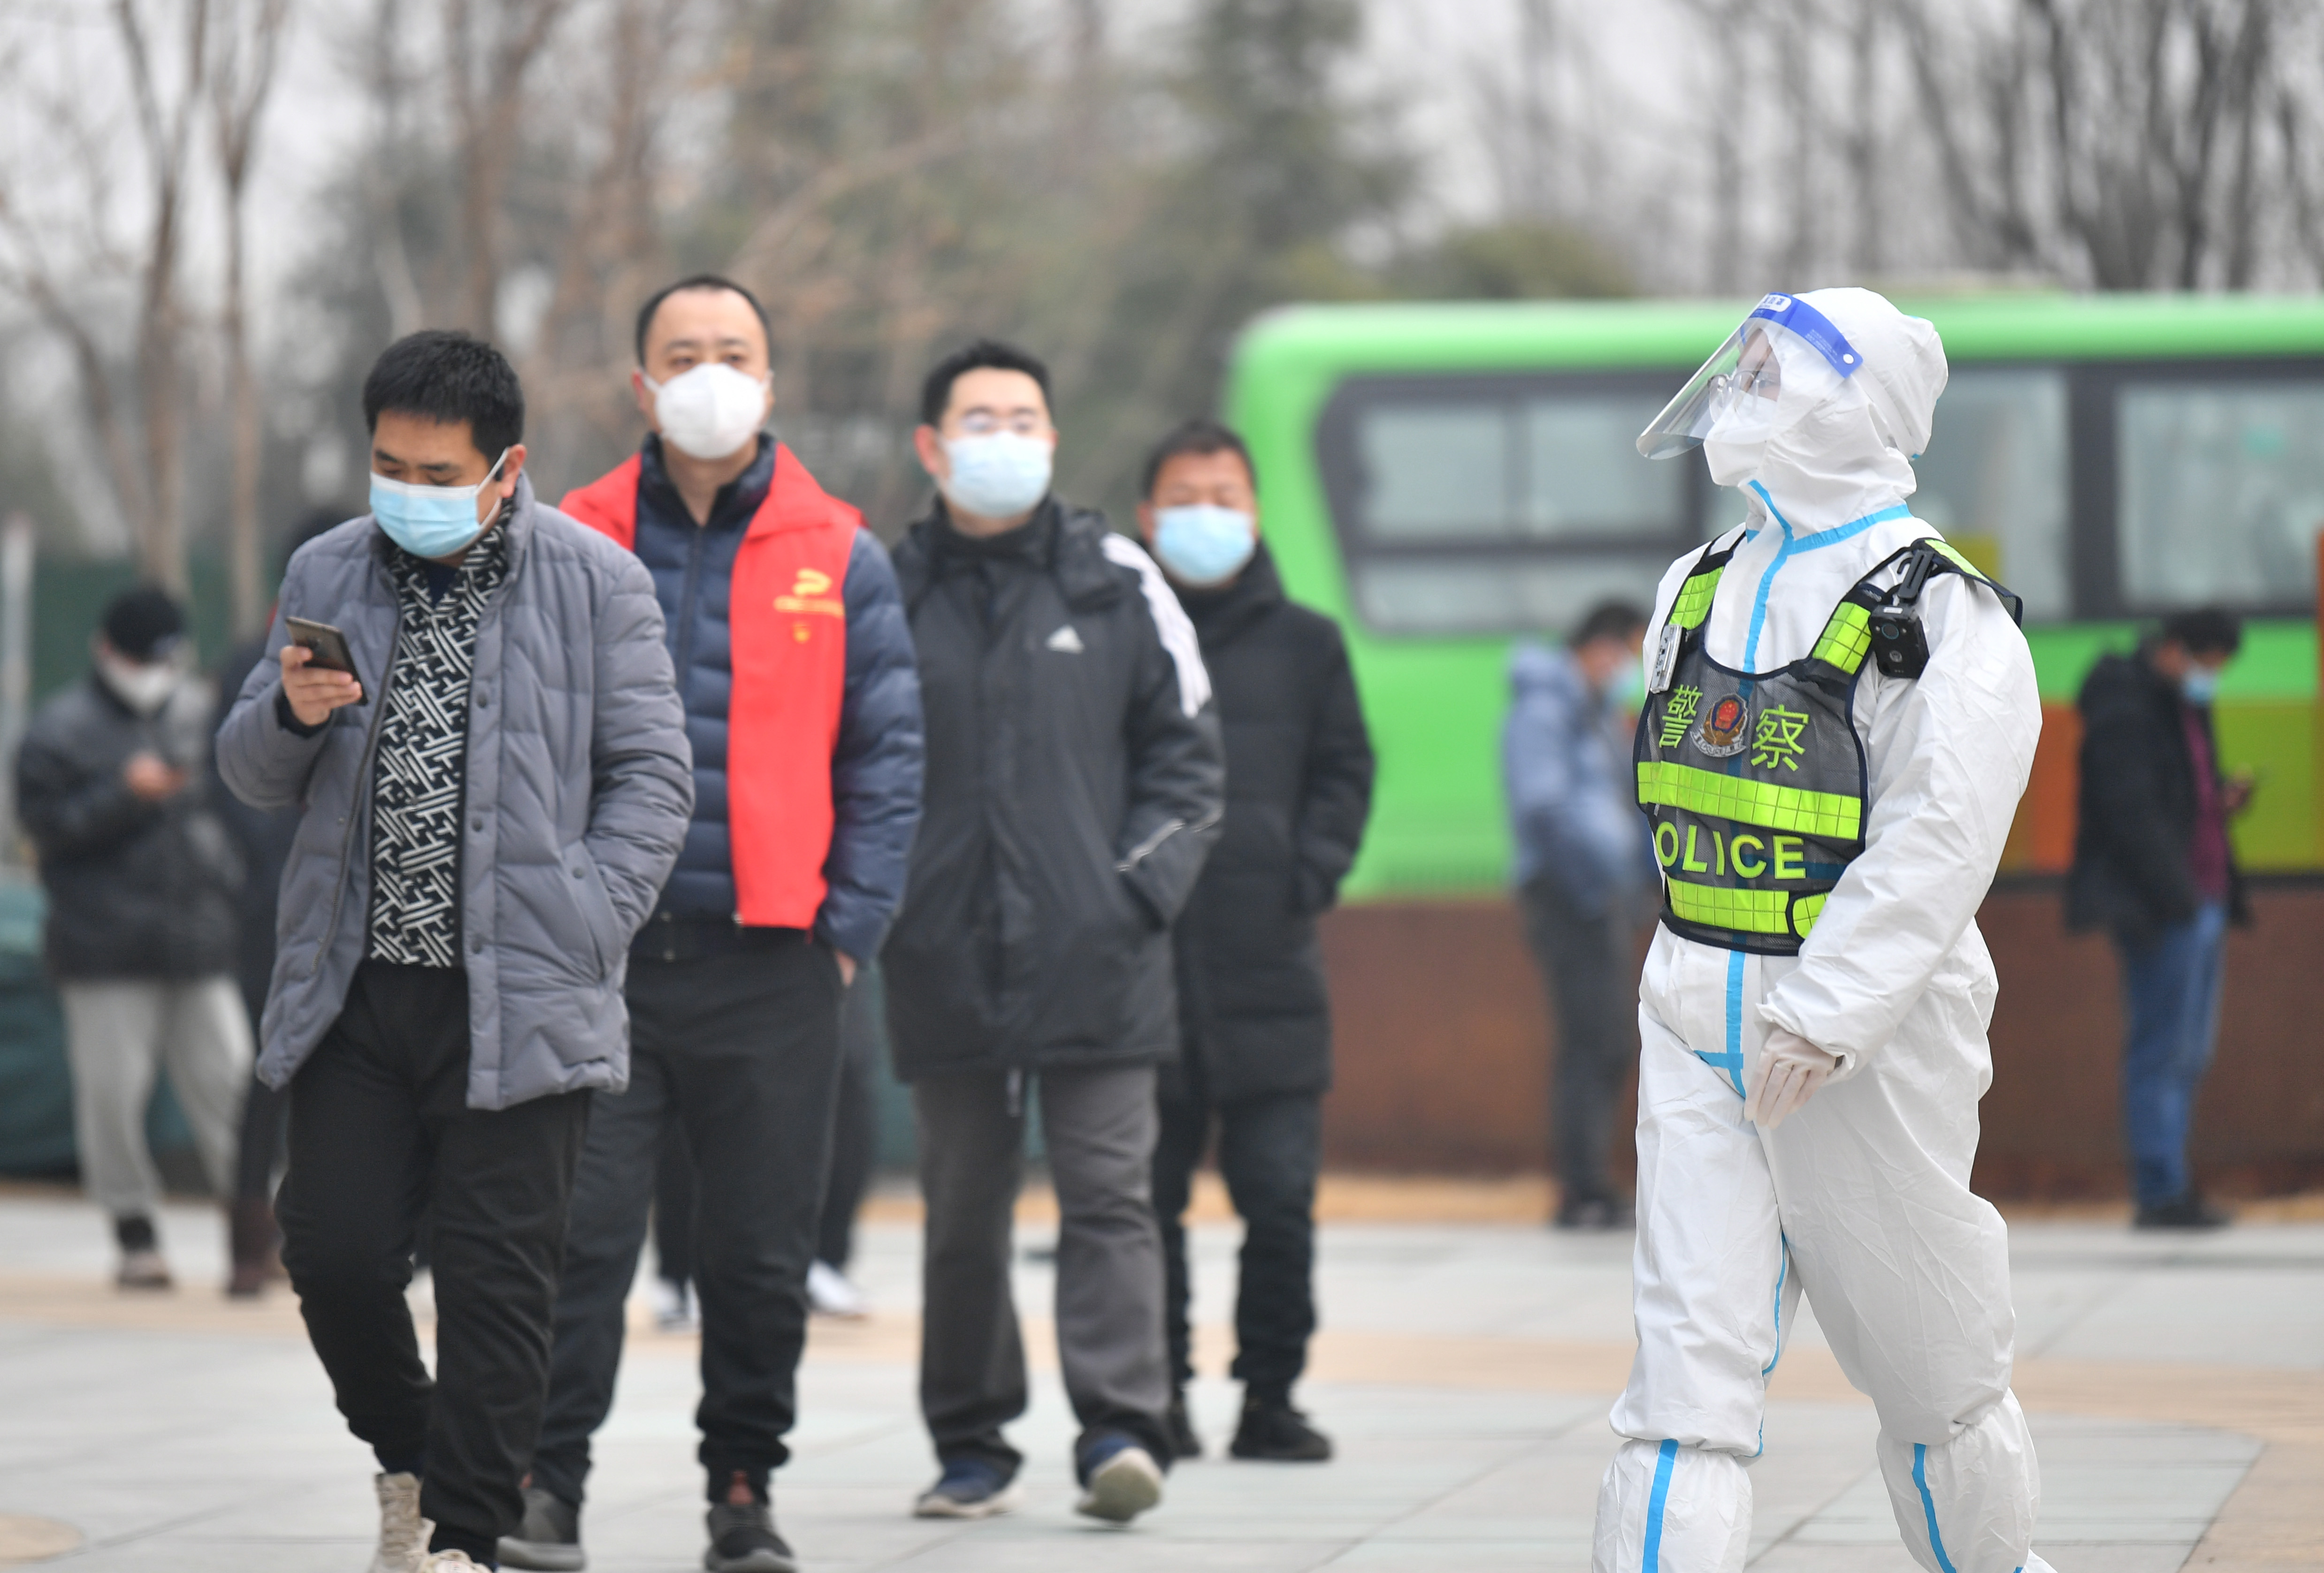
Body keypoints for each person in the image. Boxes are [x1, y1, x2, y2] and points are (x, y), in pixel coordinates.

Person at [216, 329, 692, 1573]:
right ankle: (414, 1458)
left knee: (497, 1285)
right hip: (357, 990)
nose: (409, 494)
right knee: (333, 1252)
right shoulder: (327, 568)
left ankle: (467, 1540)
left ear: (506, 468)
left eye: (438, 475)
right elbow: (250, 770)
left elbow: (655, 777)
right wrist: (288, 714)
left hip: (522, 988)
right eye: (390, 467)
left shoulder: (598, 582)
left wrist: (588, 918)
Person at [1597, 289, 2058, 1572]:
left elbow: (1941, 836)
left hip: (1868, 1044)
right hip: (1693, 1012)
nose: (1739, 393)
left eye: (1771, 371)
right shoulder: (1696, 584)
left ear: (1860, 404)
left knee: (1932, 1369)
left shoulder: (1942, 614)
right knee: (1682, 1384)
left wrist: (1828, 1011)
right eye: (1740, 366)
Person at [502, 275, 923, 1573]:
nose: (708, 375)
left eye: (732, 352)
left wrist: (845, 931)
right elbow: (510, 737)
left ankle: (743, 1489)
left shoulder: (840, 551)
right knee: (572, 1243)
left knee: (758, 1254)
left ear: (770, 380)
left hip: (773, 968)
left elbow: (888, 757)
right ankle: (545, 1487)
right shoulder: (565, 537)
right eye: (681, 355)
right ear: (641, 385)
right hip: (600, 965)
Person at [884, 340, 1223, 1525]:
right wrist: (895, 903)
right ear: (931, 447)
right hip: (942, 953)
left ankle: (1122, 1428)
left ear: (1053, 437)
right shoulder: (885, 587)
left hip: (1100, 953)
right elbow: (851, 764)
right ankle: (970, 1441)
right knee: (960, 1211)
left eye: (1024, 418)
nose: (1005, 438)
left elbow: (1189, 758)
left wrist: (1126, 895)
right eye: (979, 419)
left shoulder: (1116, 577)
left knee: (1109, 1199)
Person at [1133, 417, 1373, 1465]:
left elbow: (1346, 769)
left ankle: (1270, 1398)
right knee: (1146, 1206)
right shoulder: (1120, 632)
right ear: (1148, 516)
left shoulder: (1307, 642)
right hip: (1145, 965)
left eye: (1224, 496)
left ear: (1255, 509)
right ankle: (1159, 1400)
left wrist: (1304, 872)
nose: (1206, 515)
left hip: (1270, 965)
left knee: (1279, 1202)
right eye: (1185, 498)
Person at [16, 587, 253, 1290]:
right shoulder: (59, 730)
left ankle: (256, 1226)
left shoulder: (199, 713)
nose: (154, 674)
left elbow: (239, 808)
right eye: (142, 660)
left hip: (199, 938)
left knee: (232, 1083)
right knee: (113, 1095)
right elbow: (44, 831)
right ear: (106, 651)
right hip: (105, 948)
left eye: (165, 660)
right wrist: (124, 795)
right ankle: (134, 1234)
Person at [2067, 609, 2249, 1231]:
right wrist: (2178, 898)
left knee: (2190, 1052)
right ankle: (2161, 1191)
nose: (2209, 678)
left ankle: (2172, 1181)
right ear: (2174, 650)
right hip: (2166, 907)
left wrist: (2221, 799)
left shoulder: (2182, 702)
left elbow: (2183, 792)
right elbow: (2130, 811)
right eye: (2206, 664)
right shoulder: (2126, 704)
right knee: (2161, 1051)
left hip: (2203, 898)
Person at [213, 510, 346, 1298]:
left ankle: (313, 1234)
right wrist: (284, 857)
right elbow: (227, 774)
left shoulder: (377, 647)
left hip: (345, 898)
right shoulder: (251, 660)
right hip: (273, 903)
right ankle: (248, 1240)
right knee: (273, 1067)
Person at [1503, 599, 1656, 1231]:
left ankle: (1590, 1185)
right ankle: (1581, 1191)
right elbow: (1543, 808)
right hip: (1570, 898)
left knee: (1605, 1041)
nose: (1630, 671)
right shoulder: (1545, 711)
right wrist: (1591, 884)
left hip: (1594, 896)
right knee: (1594, 1042)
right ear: (1600, 647)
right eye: (1629, 654)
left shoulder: (1590, 713)